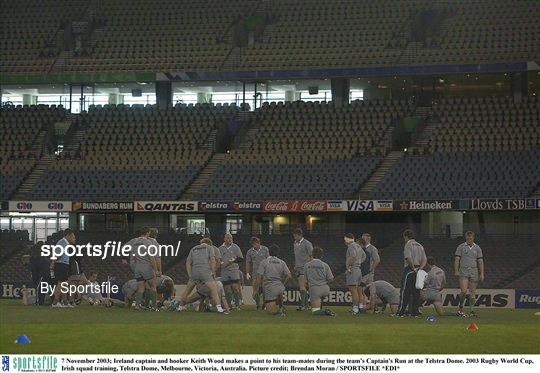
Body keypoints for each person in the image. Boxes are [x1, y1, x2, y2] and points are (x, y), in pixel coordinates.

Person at [180, 241, 224, 313]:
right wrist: (213, 272)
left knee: (187, 291)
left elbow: (188, 262)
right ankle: (219, 308)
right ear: (209, 243)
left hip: (195, 273)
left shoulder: (194, 249)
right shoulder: (210, 248)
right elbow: (213, 260)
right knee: (214, 290)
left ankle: (180, 306)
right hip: (205, 272)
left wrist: (190, 275)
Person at [125, 227, 158, 310]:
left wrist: (124, 258)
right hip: (146, 267)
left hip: (137, 267)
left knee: (141, 287)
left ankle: (137, 305)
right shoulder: (148, 242)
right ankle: (154, 307)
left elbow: (124, 248)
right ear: (148, 233)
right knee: (153, 286)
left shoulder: (134, 241)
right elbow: (151, 257)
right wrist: (156, 269)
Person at [396, 229, 427, 317]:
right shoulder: (420, 245)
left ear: (405, 236)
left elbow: (408, 257)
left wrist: (413, 268)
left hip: (410, 269)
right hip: (418, 269)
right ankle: (414, 313)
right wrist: (420, 269)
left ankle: (400, 312)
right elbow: (425, 259)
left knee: (405, 291)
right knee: (416, 292)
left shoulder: (408, 244)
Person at [255, 244, 291, 316]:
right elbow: (289, 276)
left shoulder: (264, 262)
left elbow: (259, 277)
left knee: (270, 312)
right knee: (279, 292)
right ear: (278, 252)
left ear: (269, 252)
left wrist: (256, 290)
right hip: (279, 286)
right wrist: (283, 284)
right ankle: (281, 306)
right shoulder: (282, 262)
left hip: (269, 287)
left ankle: (279, 312)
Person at [454, 231, 484, 317]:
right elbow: (457, 259)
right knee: (463, 291)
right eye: (467, 238)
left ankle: (472, 311)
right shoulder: (461, 247)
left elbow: (480, 261)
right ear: (465, 238)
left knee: (472, 292)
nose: (469, 240)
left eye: (470, 238)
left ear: (473, 238)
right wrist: (456, 270)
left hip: (474, 271)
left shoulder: (477, 248)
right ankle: (460, 307)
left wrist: (482, 273)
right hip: (463, 270)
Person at [304, 247, 335, 316]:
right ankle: (320, 306)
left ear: (312, 254)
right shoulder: (325, 265)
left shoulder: (306, 265)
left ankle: (326, 311)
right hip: (325, 289)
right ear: (321, 256)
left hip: (314, 289)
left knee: (315, 311)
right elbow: (331, 279)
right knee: (319, 298)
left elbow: (305, 282)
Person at [51, 229, 76, 308]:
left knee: (64, 284)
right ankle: (55, 302)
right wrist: (52, 263)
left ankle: (65, 302)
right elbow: (56, 254)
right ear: (68, 235)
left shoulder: (65, 243)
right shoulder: (62, 242)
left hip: (64, 264)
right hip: (61, 264)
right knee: (60, 284)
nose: (73, 238)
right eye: (72, 236)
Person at [218, 233, 244, 309]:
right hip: (224, 271)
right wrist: (221, 263)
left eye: (231, 238)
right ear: (224, 239)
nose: (230, 240)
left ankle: (237, 305)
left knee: (235, 287)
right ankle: (229, 305)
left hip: (234, 270)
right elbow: (218, 259)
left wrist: (232, 261)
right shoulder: (220, 248)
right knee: (227, 289)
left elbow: (240, 258)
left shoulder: (236, 247)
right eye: (228, 238)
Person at [245, 237, 269, 310]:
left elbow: (268, 260)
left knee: (265, 289)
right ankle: (258, 304)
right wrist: (247, 273)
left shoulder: (265, 249)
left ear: (259, 243)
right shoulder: (249, 252)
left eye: (256, 243)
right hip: (255, 273)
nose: (255, 245)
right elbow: (248, 262)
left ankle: (264, 304)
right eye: (254, 244)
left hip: (265, 273)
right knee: (255, 290)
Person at [293, 228, 313, 311]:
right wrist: (295, 265)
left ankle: (303, 305)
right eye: (294, 236)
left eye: (295, 236)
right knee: (303, 286)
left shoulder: (307, 243)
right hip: (298, 267)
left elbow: (312, 256)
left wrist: (309, 266)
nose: (294, 237)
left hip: (305, 267)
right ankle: (307, 305)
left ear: (300, 235)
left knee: (302, 286)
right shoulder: (295, 243)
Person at [344, 233, 365, 315]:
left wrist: (349, 265)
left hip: (353, 270)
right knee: (358, 290)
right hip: (358, 270)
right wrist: (358, 262)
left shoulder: (351, 246)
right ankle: (359, 307)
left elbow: (353, 256)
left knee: (353, 290)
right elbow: (364, 256)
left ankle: (355, 309)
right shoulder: (358, 246)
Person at [359, 233, 380, 309]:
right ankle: (364, 306)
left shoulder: (372, 249)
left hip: (368, 274)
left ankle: (371, 307)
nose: (362, 240)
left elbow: (377, 260)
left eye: (363, 238)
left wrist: (370, 269)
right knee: (363, 290)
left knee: (367, 290)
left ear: (368, 239)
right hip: (362, 273)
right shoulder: (361, 248)